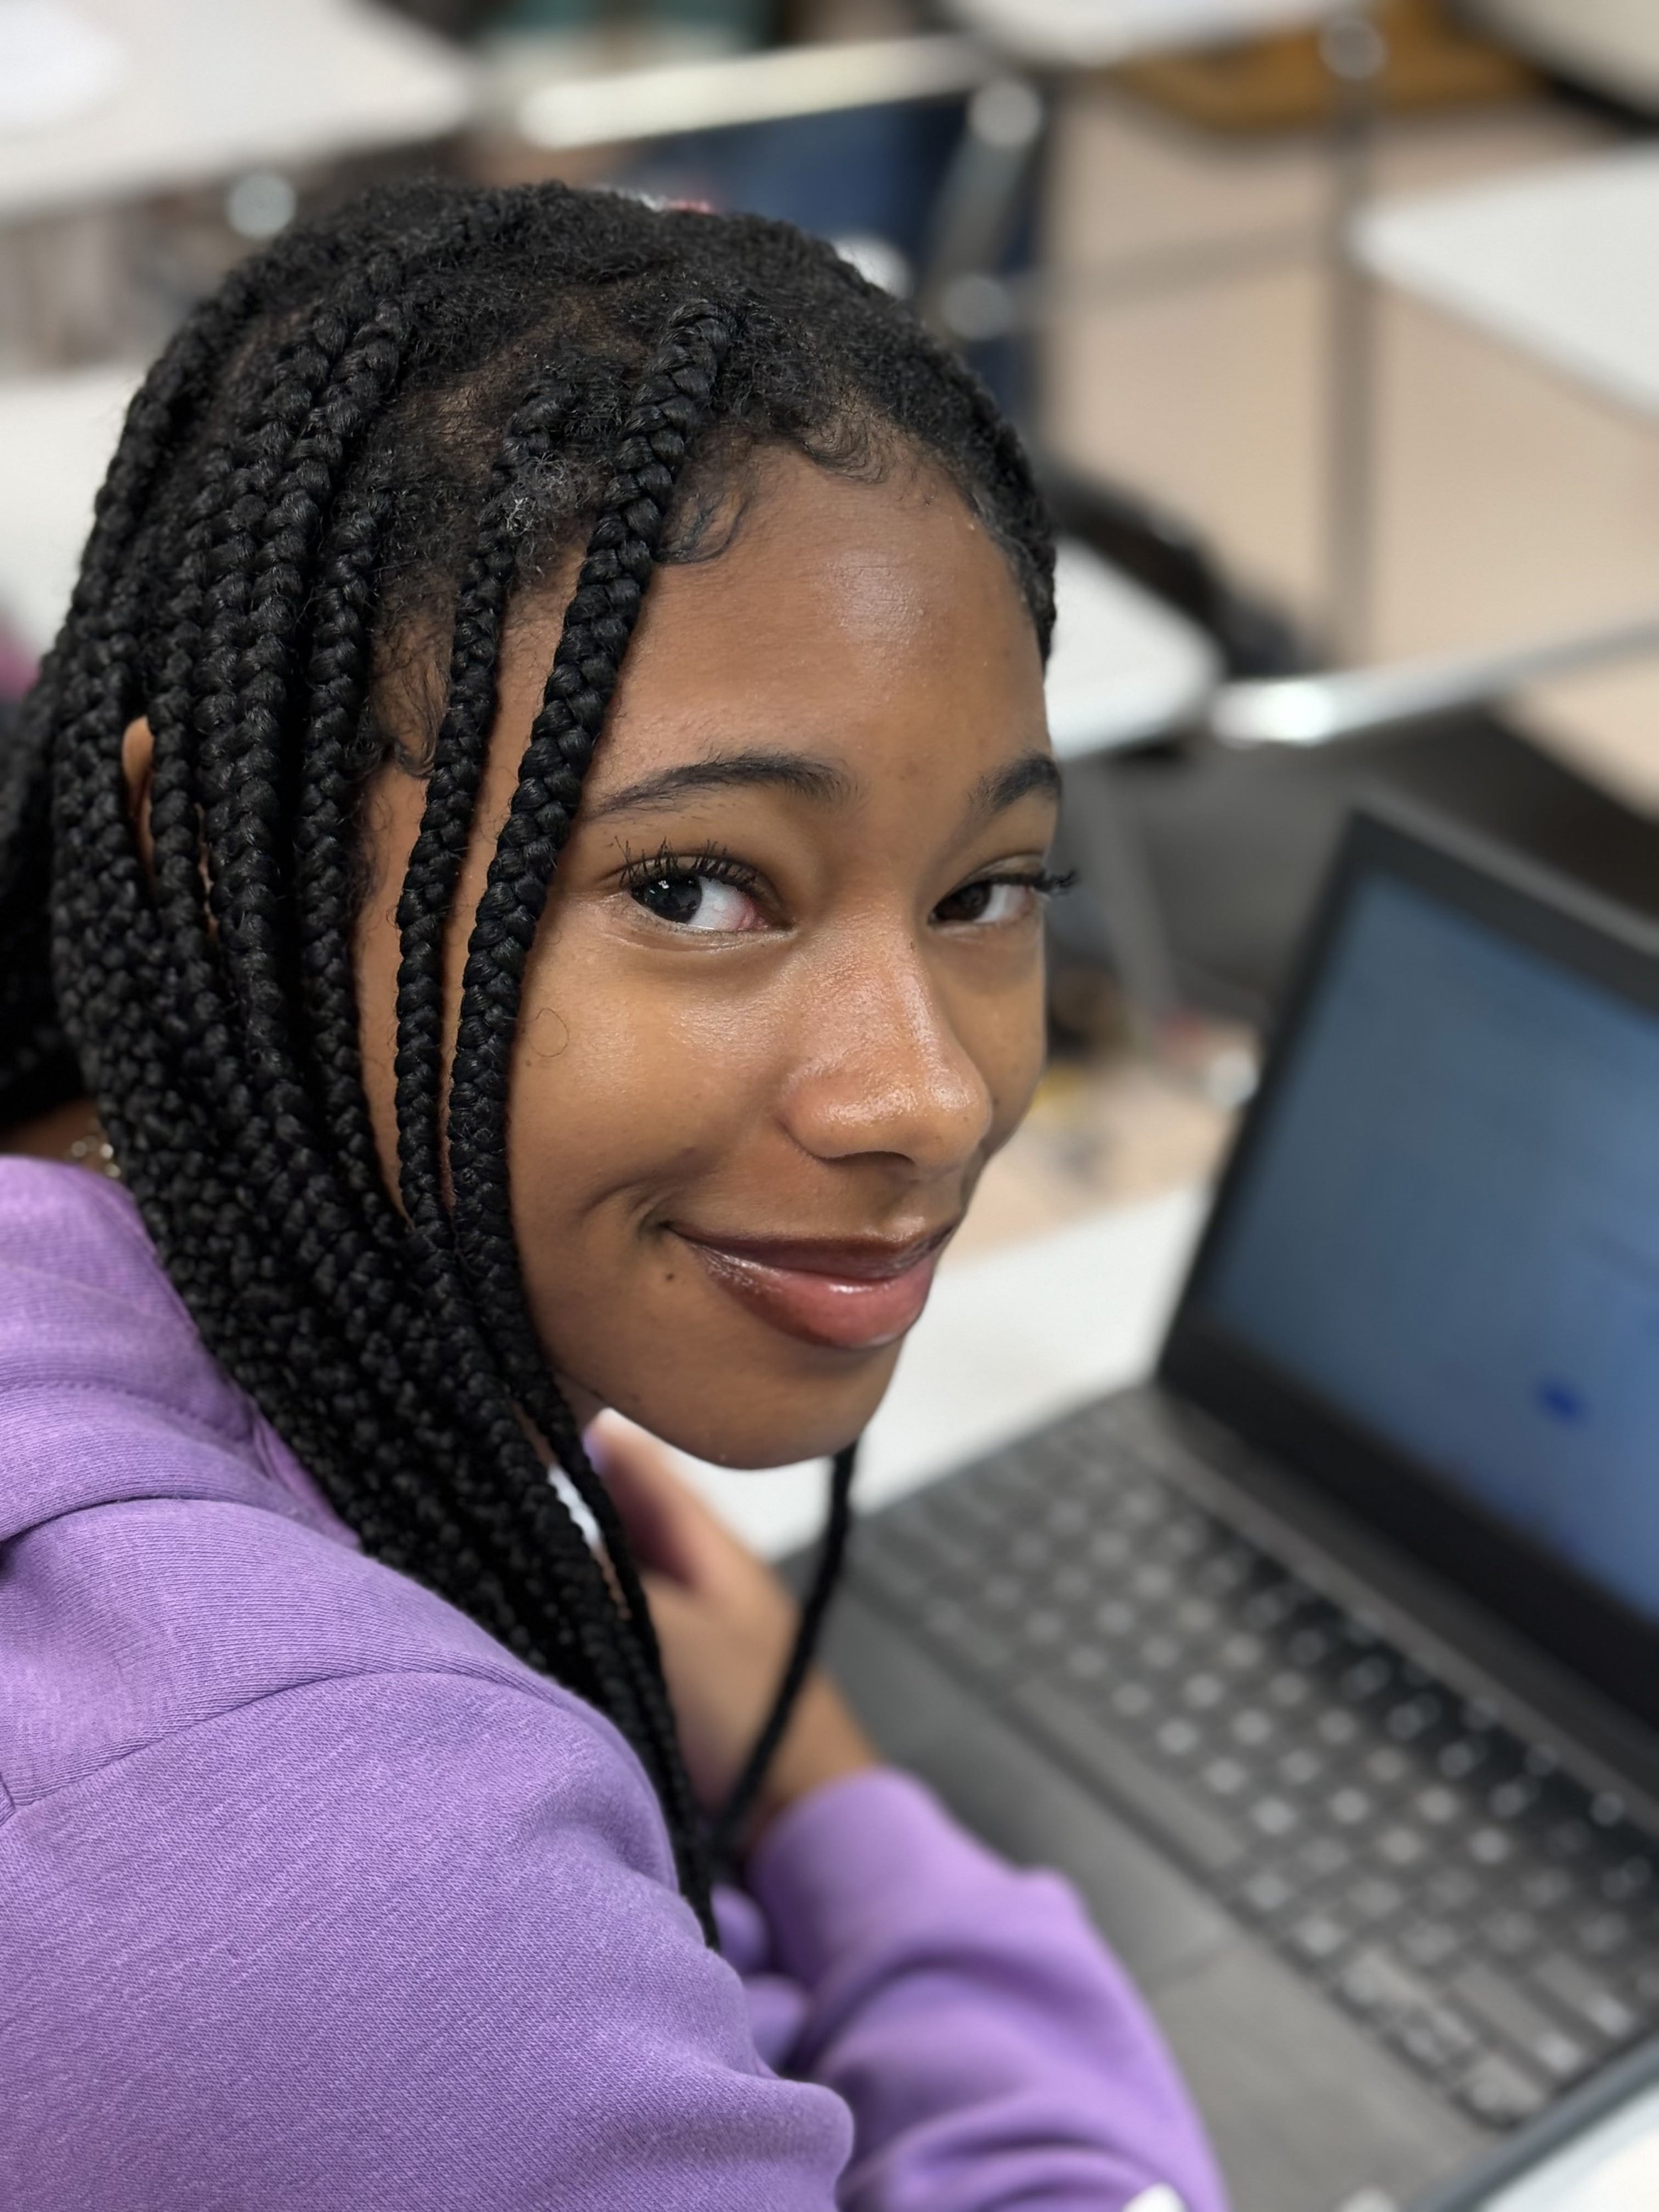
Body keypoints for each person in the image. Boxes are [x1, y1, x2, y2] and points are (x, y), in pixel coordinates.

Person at [0, 181, 1226, 2211]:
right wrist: (835, 1801)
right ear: (214, 863)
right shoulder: (318, 1879)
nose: (921, 1097)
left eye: (985, 891)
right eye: (690, 887)